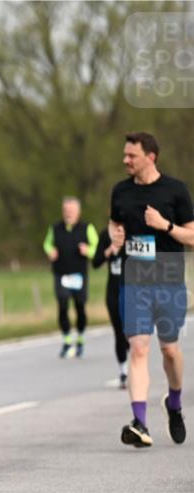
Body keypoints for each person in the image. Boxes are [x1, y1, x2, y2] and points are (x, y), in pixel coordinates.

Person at [110, 132, 193, 448]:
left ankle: (174, 403)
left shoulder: (176, 191)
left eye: (131, 155)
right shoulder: (120, 191)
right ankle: (140, 422)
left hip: (169, 281)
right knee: (139, 347)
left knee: (169, 350)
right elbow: (113, 222)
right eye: (125, 155)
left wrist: (166, 226)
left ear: (151, 157)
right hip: (134, 283)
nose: (125, 160)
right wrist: (116, 236)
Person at [43, 197, 98, 358]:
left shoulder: (87, 228)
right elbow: (47, 243)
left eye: (72, 211)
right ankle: (67, 340)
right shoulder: (55, 228)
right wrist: (50, 251)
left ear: (78, 212)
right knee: (62, 304)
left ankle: (80, 338)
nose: (69, 214)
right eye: (66, 211)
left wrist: (88, 250)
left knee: (80, 306)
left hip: (79, 274)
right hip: (61, 273)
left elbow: (97, 247)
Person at [93, 222, 129, 389]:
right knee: (118, 332)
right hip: (113, 291)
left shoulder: (135, 232)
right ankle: (123, 371)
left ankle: (135, 366)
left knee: (132, 333)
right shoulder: (104, 235)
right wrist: (110, 249)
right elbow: (95, 262)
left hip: (133, 289)